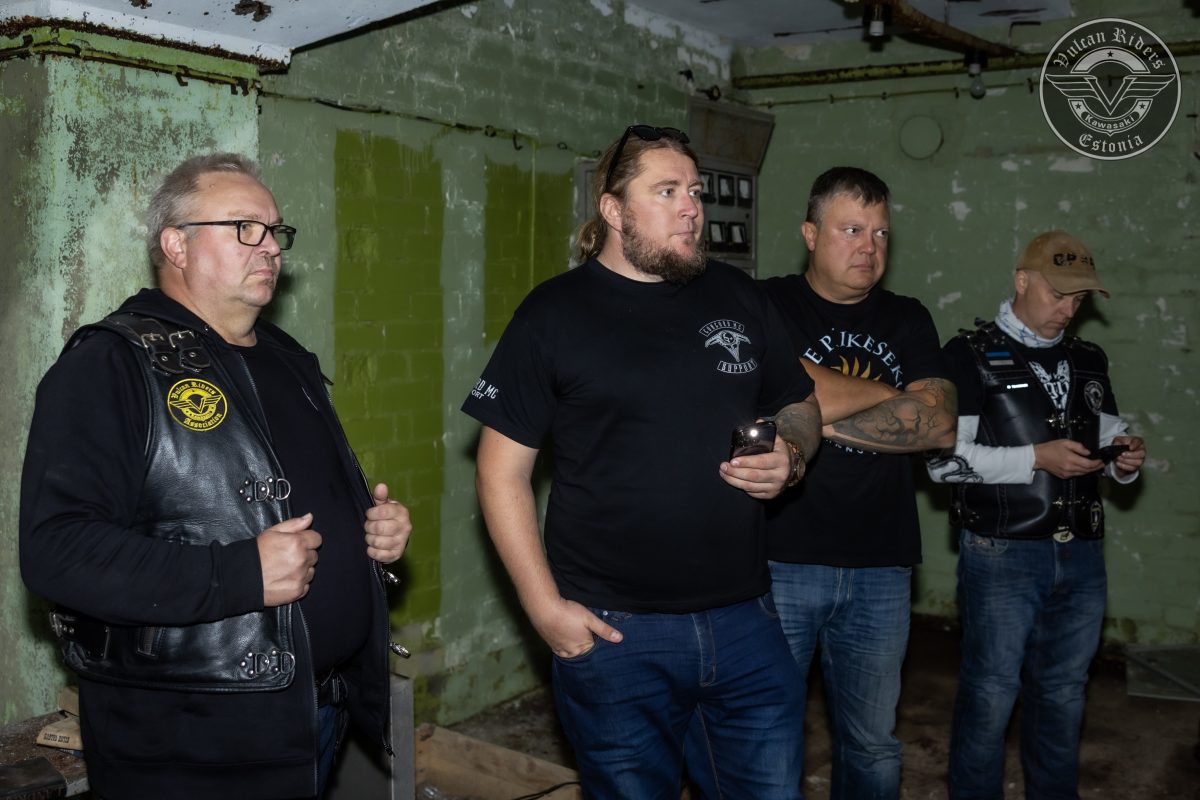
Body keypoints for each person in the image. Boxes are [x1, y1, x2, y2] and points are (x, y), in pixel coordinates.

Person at [19, 153, 412, 799]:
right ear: (176, 245)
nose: (270, 247)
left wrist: (371, 532)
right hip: (191, 738)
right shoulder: (111, 364)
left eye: (275, 230)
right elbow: (56, 551)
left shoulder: (287, 359)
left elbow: (286, 501)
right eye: (244, 228)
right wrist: (239, 573)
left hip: (314, 714)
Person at [462, 124, 822, 798]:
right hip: (615, 633)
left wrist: (793, 452)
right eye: (667, 191)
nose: (692, 208)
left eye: (696, 192)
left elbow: (799, 401)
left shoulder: (739, 296)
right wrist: (544, 609)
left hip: (745, 619)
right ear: (613, 208)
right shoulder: (553, 314)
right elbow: (499, 472)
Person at [761, 166, 957, 799]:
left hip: (881, 566)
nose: (869, 247)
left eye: (881, 233)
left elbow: (938, 425)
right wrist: (891, 395)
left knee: (872, 744)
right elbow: (764, 393)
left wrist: (809, 411)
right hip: (780, 561)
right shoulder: (766, 305)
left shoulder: (907, 316)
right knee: (766, 735)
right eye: (851, 230)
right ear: (810, 234)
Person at [927, 230, 1145, 799]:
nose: (1068, 310)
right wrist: (1035, 458)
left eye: (1080, 299)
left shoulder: (1089, 359)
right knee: (990, 693)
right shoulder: (968, 354)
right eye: (1058, 295)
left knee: (1065, 692)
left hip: (1082, 556)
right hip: (1001, 552)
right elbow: (943, 465)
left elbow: (1108, 436)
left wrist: (1125, 459)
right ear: (1022, 281)